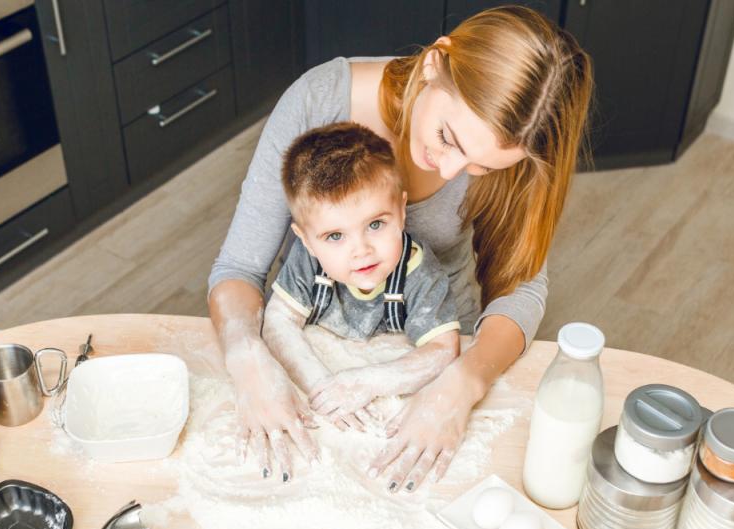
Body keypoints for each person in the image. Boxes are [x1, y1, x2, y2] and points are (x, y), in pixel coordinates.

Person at [208, 6, 593, 491]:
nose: (452, 171)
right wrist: (247, 354)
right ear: (435, 62)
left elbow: (521, 284)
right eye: (447, 139)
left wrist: (464, 382)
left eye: (482, 168)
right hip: (312, 337)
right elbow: (238, 267)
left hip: (439, 351)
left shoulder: (513, 143)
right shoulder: (320, 98)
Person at [262, 122, 461, 483]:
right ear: (304, 239)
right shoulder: (309, 261)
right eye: (335, 235)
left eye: (375, 225)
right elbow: (277, 321)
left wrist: (369, 382)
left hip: (381, 418)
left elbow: (443, 349)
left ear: (401, 211)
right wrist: (321, 385)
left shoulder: (418, 272)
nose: (361, 250)